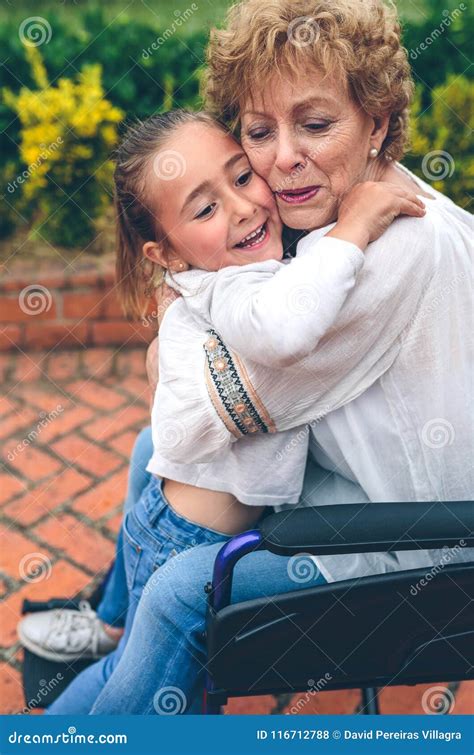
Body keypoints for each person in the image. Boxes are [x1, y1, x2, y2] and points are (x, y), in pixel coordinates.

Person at [21, 0, 473, 714]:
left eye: (316, 125)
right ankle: (117, 632)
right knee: (148, 453)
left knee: (177, 594)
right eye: (260, 131)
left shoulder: (387, 249)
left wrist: (171, 324)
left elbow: (207, 406)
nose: (283, 157)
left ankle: (128, 668)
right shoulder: (348, 205)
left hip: (410, 552)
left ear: (379, 122)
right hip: (351, 488)